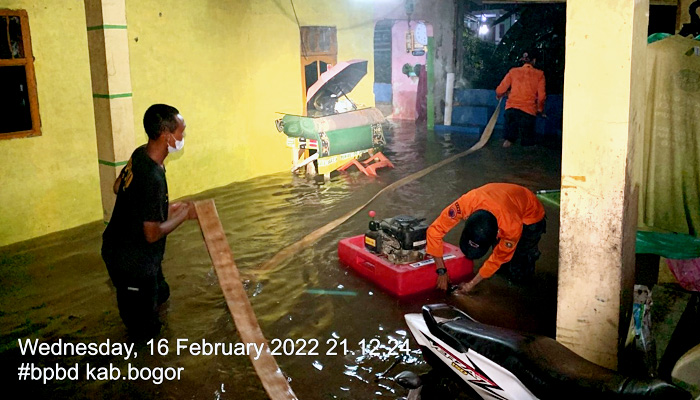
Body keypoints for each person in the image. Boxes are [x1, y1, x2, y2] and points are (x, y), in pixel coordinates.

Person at [102, 104, 197, 338]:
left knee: (161, 294)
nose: (182, 137)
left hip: (129, 250)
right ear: (166, 136)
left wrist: (166, 207)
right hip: (130, 262)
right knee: (144, 332)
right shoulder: (152, 177)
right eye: (180, 132)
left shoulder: (140, 153)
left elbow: (118, 187)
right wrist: (184, 214)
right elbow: (152, 234)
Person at [426, 183, 546, 294]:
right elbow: (434, 230)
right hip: (500, 201)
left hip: (529, 215)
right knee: (502, 270)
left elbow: (499, 258)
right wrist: (441, 270)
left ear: (497, 233)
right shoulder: (466, 203)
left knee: (520, 267)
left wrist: (471, 284)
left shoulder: (511, 227)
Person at [496, 51, 546, 148]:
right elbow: (541, 97)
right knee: (528, 145)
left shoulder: (513, 72)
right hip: (528, 113)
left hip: (511, 110)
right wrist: (540, 110)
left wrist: (499, 95)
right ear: (534, 61)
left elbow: (500, 90)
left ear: (523, 60)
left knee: (508, 142)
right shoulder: (539, 75)